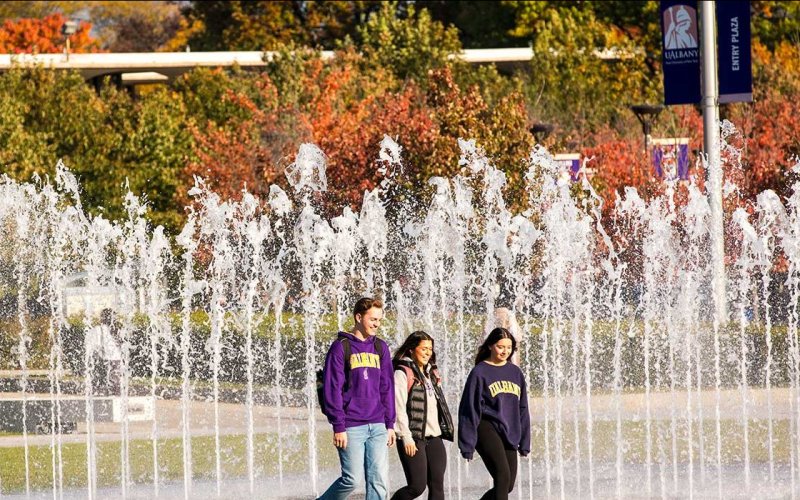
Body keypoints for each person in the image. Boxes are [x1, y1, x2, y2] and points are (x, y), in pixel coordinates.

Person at [319, 297, 396, 500]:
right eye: (373, 319)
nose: (376, 324)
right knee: (351, 479)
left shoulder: (381, 348)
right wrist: (338, 426)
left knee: (379, 480)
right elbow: (332, 389)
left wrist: (390, 424)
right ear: (358, 317)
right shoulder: (341, 347)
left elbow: (387, 387)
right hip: (351, 425)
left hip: (378, 424)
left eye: (379, 320)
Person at [458, 328, 531, 500]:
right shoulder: (480, 372)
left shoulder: (515, 372)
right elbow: (469, 408)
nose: (505, 351)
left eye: (509, 347)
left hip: (509, 429)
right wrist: (467, 444)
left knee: (508, 485)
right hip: (486, 427)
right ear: (490, 346)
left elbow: (522, 408)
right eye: (500, 347)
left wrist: (525, 441)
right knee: (502, 476)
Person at [390, 331, 454, 500]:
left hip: (434, 437)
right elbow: (398, 407)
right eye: (424, 348)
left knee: (437, 486)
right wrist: (406, 437)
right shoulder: (402, 372)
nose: (428, 353)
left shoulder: (431, 373)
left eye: (430, 349)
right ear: (412, 349)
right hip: (414, 437)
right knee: (416, 487)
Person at [85, 308, 122, 396]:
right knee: (115, 385)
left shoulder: (97, 330)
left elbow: (92, 346)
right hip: (116, 361)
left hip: (105, 360)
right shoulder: (116, 330)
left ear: (102, 318)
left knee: (103, 384)